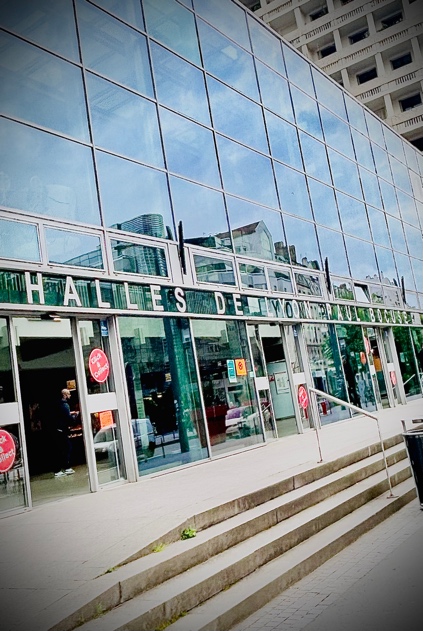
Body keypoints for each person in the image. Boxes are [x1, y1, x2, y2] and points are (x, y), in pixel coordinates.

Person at [54, 389, 77, 477]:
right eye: (69, 394)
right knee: (66, 448)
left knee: (62, 449)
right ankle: (64, 468)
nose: (70, 396)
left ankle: (61, 468)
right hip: (61, 430)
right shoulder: (64, 405)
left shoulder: (58, 404)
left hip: (58, 429)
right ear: (64, 395)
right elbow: (67, 417)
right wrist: (74, 417)